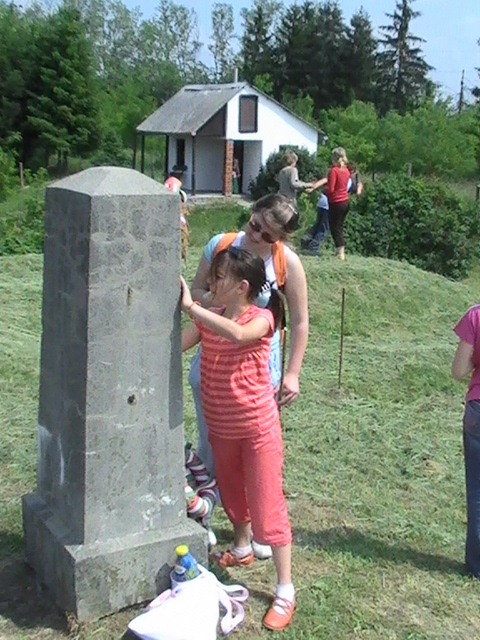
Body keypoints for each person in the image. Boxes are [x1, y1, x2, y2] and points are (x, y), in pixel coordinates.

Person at [188, 193, 309, 560]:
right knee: (213, 447)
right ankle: (205, 519)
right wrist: (220, 303)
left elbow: (300, 322)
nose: (256, 236)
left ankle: (257, 529)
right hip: (212, 363)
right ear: (252, 212)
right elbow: (197, 291)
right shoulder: (221, 245)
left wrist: (292, 373)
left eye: (268, 235)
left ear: (280, 239)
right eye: (255, 225)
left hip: (260, 372)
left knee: (258, 456)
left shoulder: (286, 262)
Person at [181, 247, 295, 631]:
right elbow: (177, 344)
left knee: (267, 505)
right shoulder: (211, 316)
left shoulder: (261, 318)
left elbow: (239, 334)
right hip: (222, 429)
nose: (211, 281)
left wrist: (193, 308)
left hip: (257, 429)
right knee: (231, 494)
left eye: (219, 276)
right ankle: (242, 547)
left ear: (242, 287)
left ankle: (285, 589)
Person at [452, 303, 480, 577]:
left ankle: (477, 564)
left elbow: (458, 370)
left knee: (477, 490)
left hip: (478, 409)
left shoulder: (475, 316)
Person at [325, 147, 350, 260]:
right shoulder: (346, 171)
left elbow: (331, 189)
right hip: (345, 201)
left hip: (336, 202)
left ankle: (340, 252)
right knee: (340, 226)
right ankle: (340, 251)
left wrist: (324, 191)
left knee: (335, 227)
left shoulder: (333, 171)